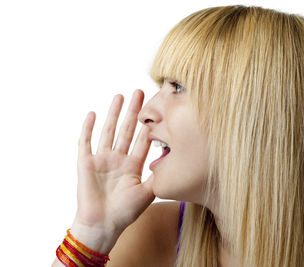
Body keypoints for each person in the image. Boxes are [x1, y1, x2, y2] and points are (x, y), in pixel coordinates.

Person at [51, 5, 304, 267]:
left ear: (253, 111)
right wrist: (91, 234)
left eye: (178, 87)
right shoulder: (157, 233)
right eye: (163, 86)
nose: (145, 113)